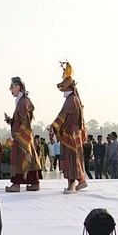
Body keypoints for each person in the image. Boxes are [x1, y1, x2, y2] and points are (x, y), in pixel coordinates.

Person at [50, 62, 87, 194]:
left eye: (64, 88)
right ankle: (81, 180)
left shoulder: (71, 100)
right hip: (74, 134)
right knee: (75, 157)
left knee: (70, 158)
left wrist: (53, 127)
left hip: (70, 134)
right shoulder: (75, 99)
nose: (62, 90)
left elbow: (62, 116)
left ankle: (71, 184)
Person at [4, 76, 40, 192]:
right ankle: (34, 183)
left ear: (18, 87)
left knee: (19, 159)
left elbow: (25, 122)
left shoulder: (23, 102)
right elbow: (20, 120)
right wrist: (11, 120)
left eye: (12, 87)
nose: (11, 89)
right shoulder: (21, 101)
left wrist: (19, 136)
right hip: (23, 136)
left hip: (22, 137)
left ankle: (16, 185)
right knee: (28, 159)